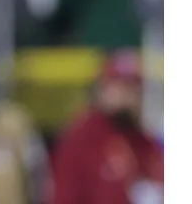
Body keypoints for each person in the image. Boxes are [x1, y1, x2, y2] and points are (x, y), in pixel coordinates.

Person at [50, 51, 164, 204]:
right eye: (118, 85)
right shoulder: (80, 140)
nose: (125, 94)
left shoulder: (145, 143)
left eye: (132, 86)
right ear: (102, 89)